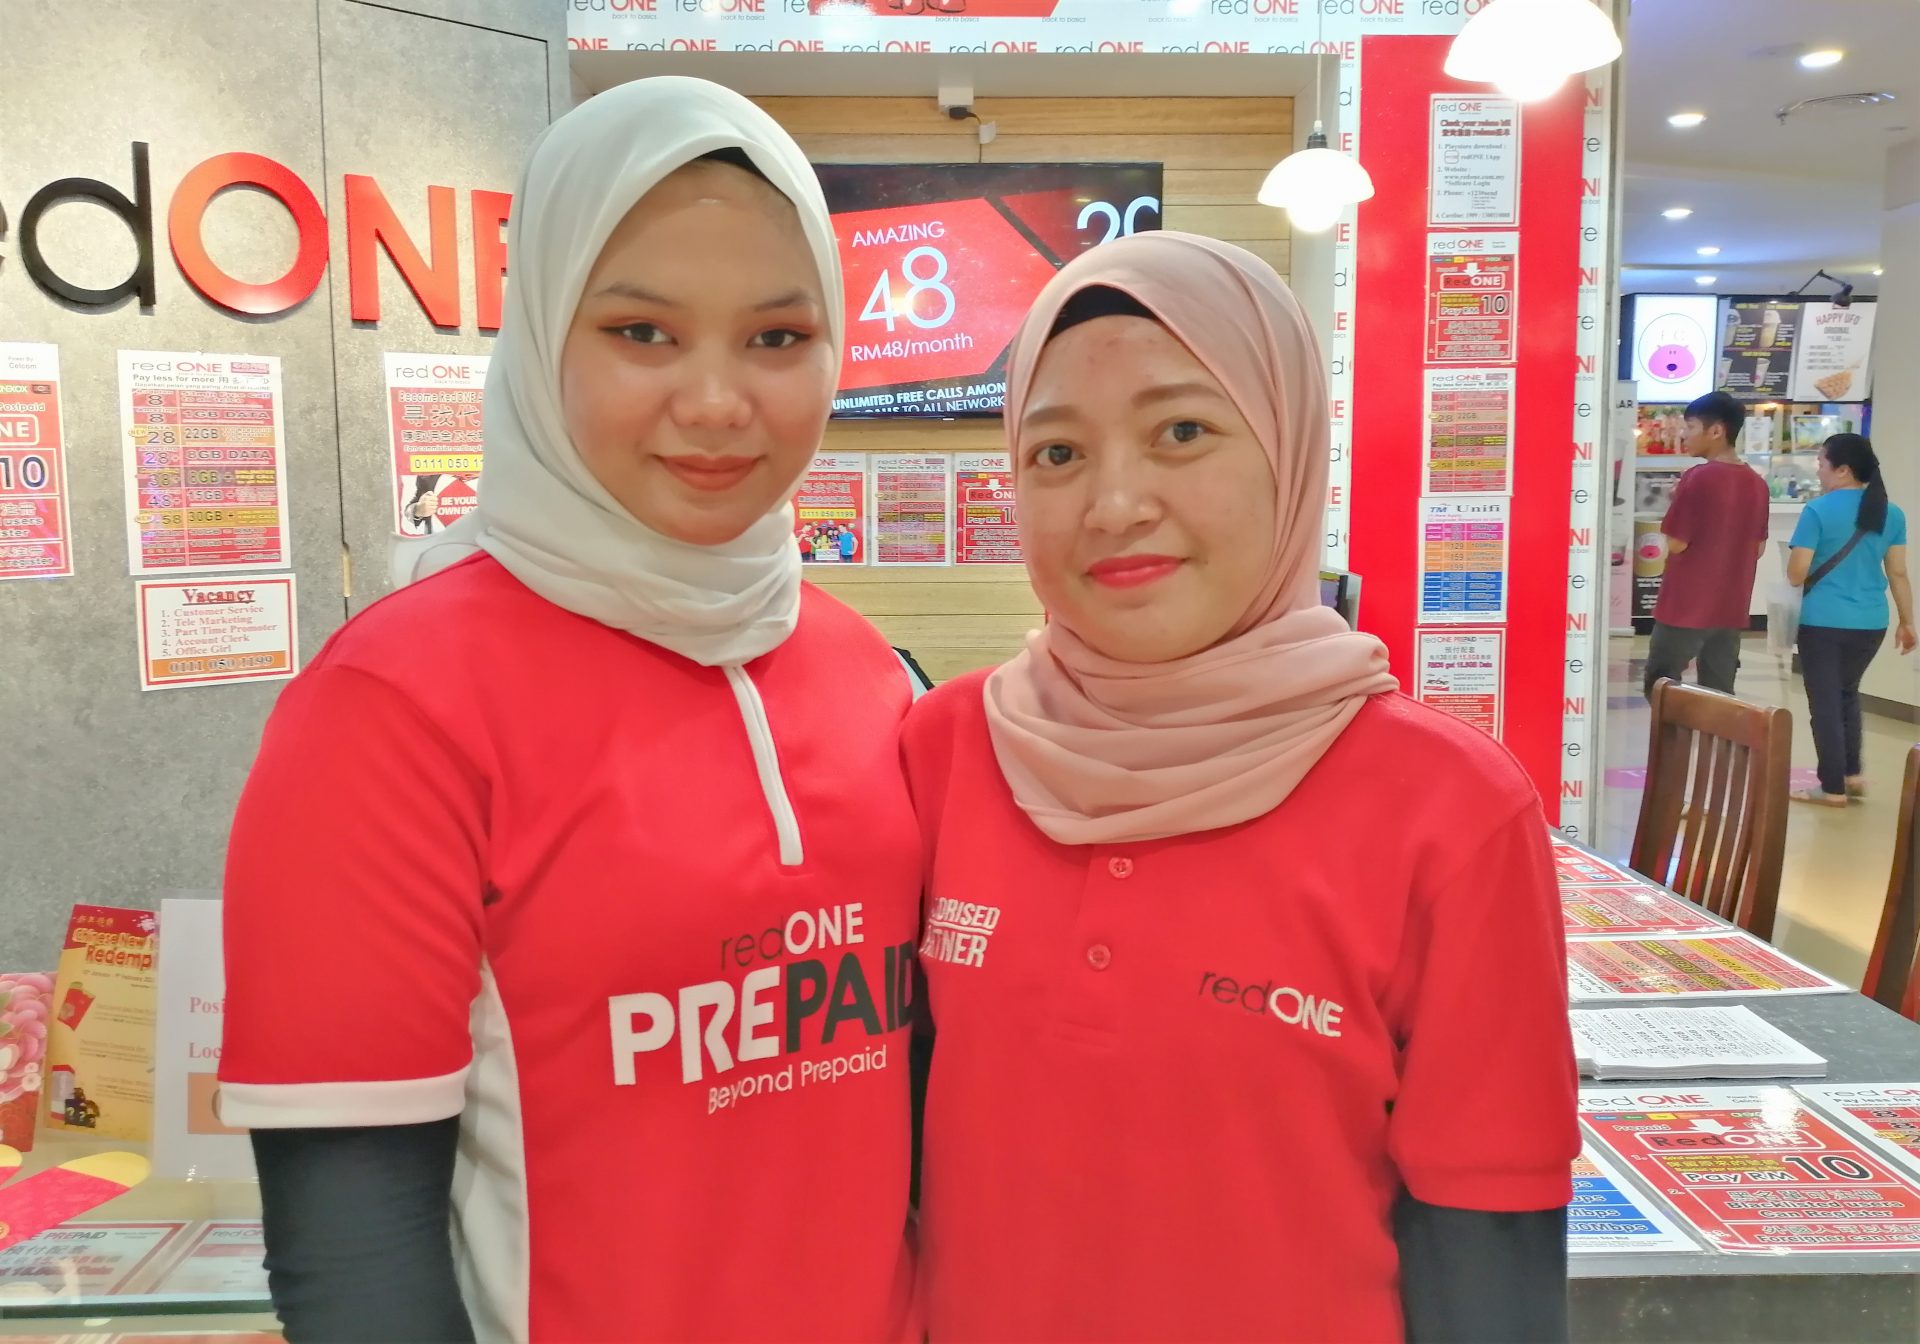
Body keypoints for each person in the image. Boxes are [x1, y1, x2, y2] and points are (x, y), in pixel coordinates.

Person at [219, 78, 920, 1343]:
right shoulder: (389, 710)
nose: (718, 402)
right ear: (542, 333)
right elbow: (350, 1251)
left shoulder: (872, 673)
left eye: (777, 338)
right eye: (643, 332)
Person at [903, 233, 1578, 1343]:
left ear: (1289, 450)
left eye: (1181, 432)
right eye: (1057, 452)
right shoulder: (942, 751)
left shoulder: (1450, 809)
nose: (1114, 503)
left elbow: (1487, 1230)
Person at [1787, 432, 1916, 806]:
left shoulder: (1817, 511)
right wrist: (1907, 621)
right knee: (1846, 694)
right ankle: (1851, 774)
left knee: (1825, 704)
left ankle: (1831, 788)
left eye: (1821, 462)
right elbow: (1898, 572)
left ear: (1842, 470)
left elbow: (1797, 573)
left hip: (1823, 622)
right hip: (1871, 622)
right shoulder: (1891, 512)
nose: (1818, 469)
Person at [1644, 390, 1769, 699]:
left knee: (1661, 688)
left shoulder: (1697, 478)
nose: (1684, 435)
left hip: (1685, 607)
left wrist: (1677, 500)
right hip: (1730, 608)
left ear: (1716, 431)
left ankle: (1675, 735)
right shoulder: (1757, 483)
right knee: (1719, 698)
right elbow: (1758, 549)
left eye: (1690, 427)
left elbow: (1676, 543)